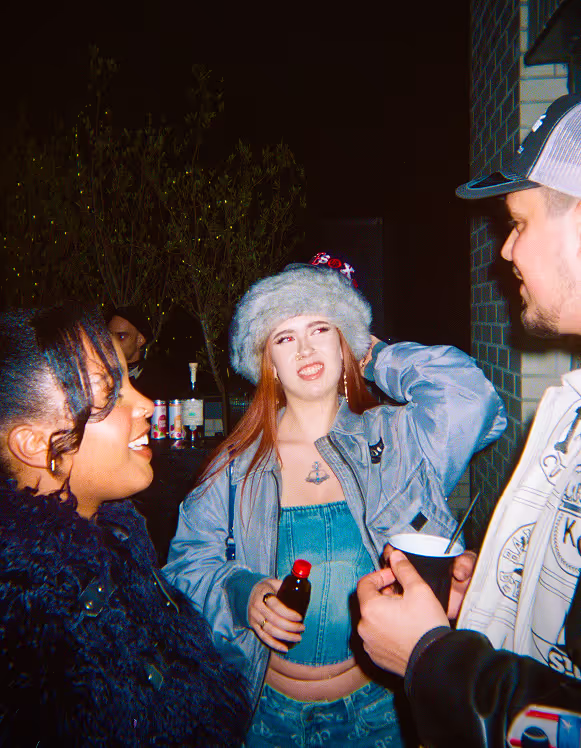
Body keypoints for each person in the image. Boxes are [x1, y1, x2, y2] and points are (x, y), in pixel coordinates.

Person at [163, 253, 506, 747]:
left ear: (345, 342)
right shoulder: (234, 466)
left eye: (320, 328)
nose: (304, 348)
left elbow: (471, 397)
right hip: (264, 718)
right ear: (268, 363)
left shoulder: (399, 440)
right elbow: (185, 569)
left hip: (381, 713)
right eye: (284, 337)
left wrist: (376, 354)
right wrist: (243, 594)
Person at [357, 94, 581, 748]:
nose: (504, 252)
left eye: (516, 222)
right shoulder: (569, 405)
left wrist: (430, 658)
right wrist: (506, 580)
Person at [0, 302, 249, 746]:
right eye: (108, 393)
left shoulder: (118, 540)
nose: (146, 404)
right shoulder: (25, 623)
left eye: (128, 382)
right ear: (36, 444)